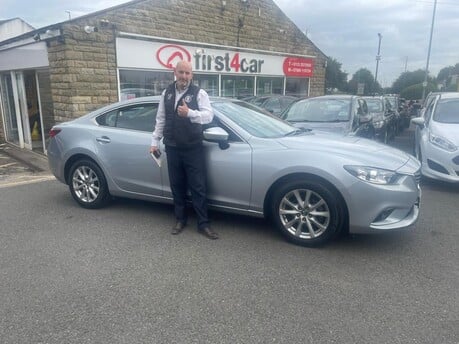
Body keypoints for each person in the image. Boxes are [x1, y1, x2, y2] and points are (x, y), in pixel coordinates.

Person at [150, 60, 218, 240]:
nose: (184, 77)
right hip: (172, 147)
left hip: (193, 148)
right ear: (175, 72)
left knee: (198, 187)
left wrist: (190, 113)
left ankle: (203, 224)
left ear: (192, 75)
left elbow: (209, 115)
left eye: (188, 73)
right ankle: (180, 219)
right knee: (177, 186)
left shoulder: (199, 93)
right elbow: (161, 119)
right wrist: (154, 142)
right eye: (181, 72)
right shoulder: (166, 93)